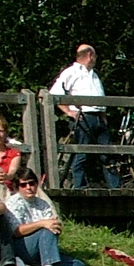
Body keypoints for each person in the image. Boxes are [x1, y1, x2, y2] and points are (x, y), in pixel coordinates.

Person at [4, 167, 86, 266]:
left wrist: (55, 227)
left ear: (37, 184)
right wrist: (42, 224)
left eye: (31, 183)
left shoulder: (43, 204)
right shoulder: (13, 203)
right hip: (22, 247)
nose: (29, 188)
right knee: (46, 230)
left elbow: (53, 227)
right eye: (23, 185)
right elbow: (17, 231)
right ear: (17, 187)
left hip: (43, 249)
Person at [50, 44, 113, 189]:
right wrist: (69, 111)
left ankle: (114, 186)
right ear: (90, 55)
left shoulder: (94, 74)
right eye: (95, 56)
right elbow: (54, 93)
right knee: (81, 153)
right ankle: (79, 187)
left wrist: (103, 116)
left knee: (108, 153)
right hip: (84, 116)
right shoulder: (71, 72)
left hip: (98, 117)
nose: (96, 59)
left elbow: (99, 97)